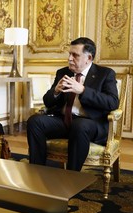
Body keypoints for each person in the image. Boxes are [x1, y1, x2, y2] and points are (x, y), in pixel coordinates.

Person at [27, 37, 119, 171]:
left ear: (89, 58)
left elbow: (112, 102)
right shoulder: (63, 72)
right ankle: (37, 171)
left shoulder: (105, 74)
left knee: (79, 125)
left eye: (75, 55)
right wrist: (56, 91)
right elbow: (47, 101)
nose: (69, 58)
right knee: (34, 121)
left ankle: (71, 177)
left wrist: (82, 90)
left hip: (90, 123)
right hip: (64, 121)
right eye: (69, 54)